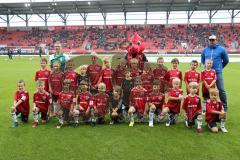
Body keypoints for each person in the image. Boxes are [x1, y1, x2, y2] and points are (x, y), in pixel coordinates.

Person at [201, 35, 229, 112]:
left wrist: (220, 68)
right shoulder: (204, 50)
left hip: (217, 73)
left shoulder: (222, 49)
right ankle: (208, 107)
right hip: (207, 73)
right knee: (206, 90)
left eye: (213, 40)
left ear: (216, 40)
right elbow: (203, 61)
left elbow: (226, 60)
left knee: (221, 89)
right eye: (210, 40)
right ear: (208, 41)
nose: (212, 41)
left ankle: (224, 107)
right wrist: (207, 68)